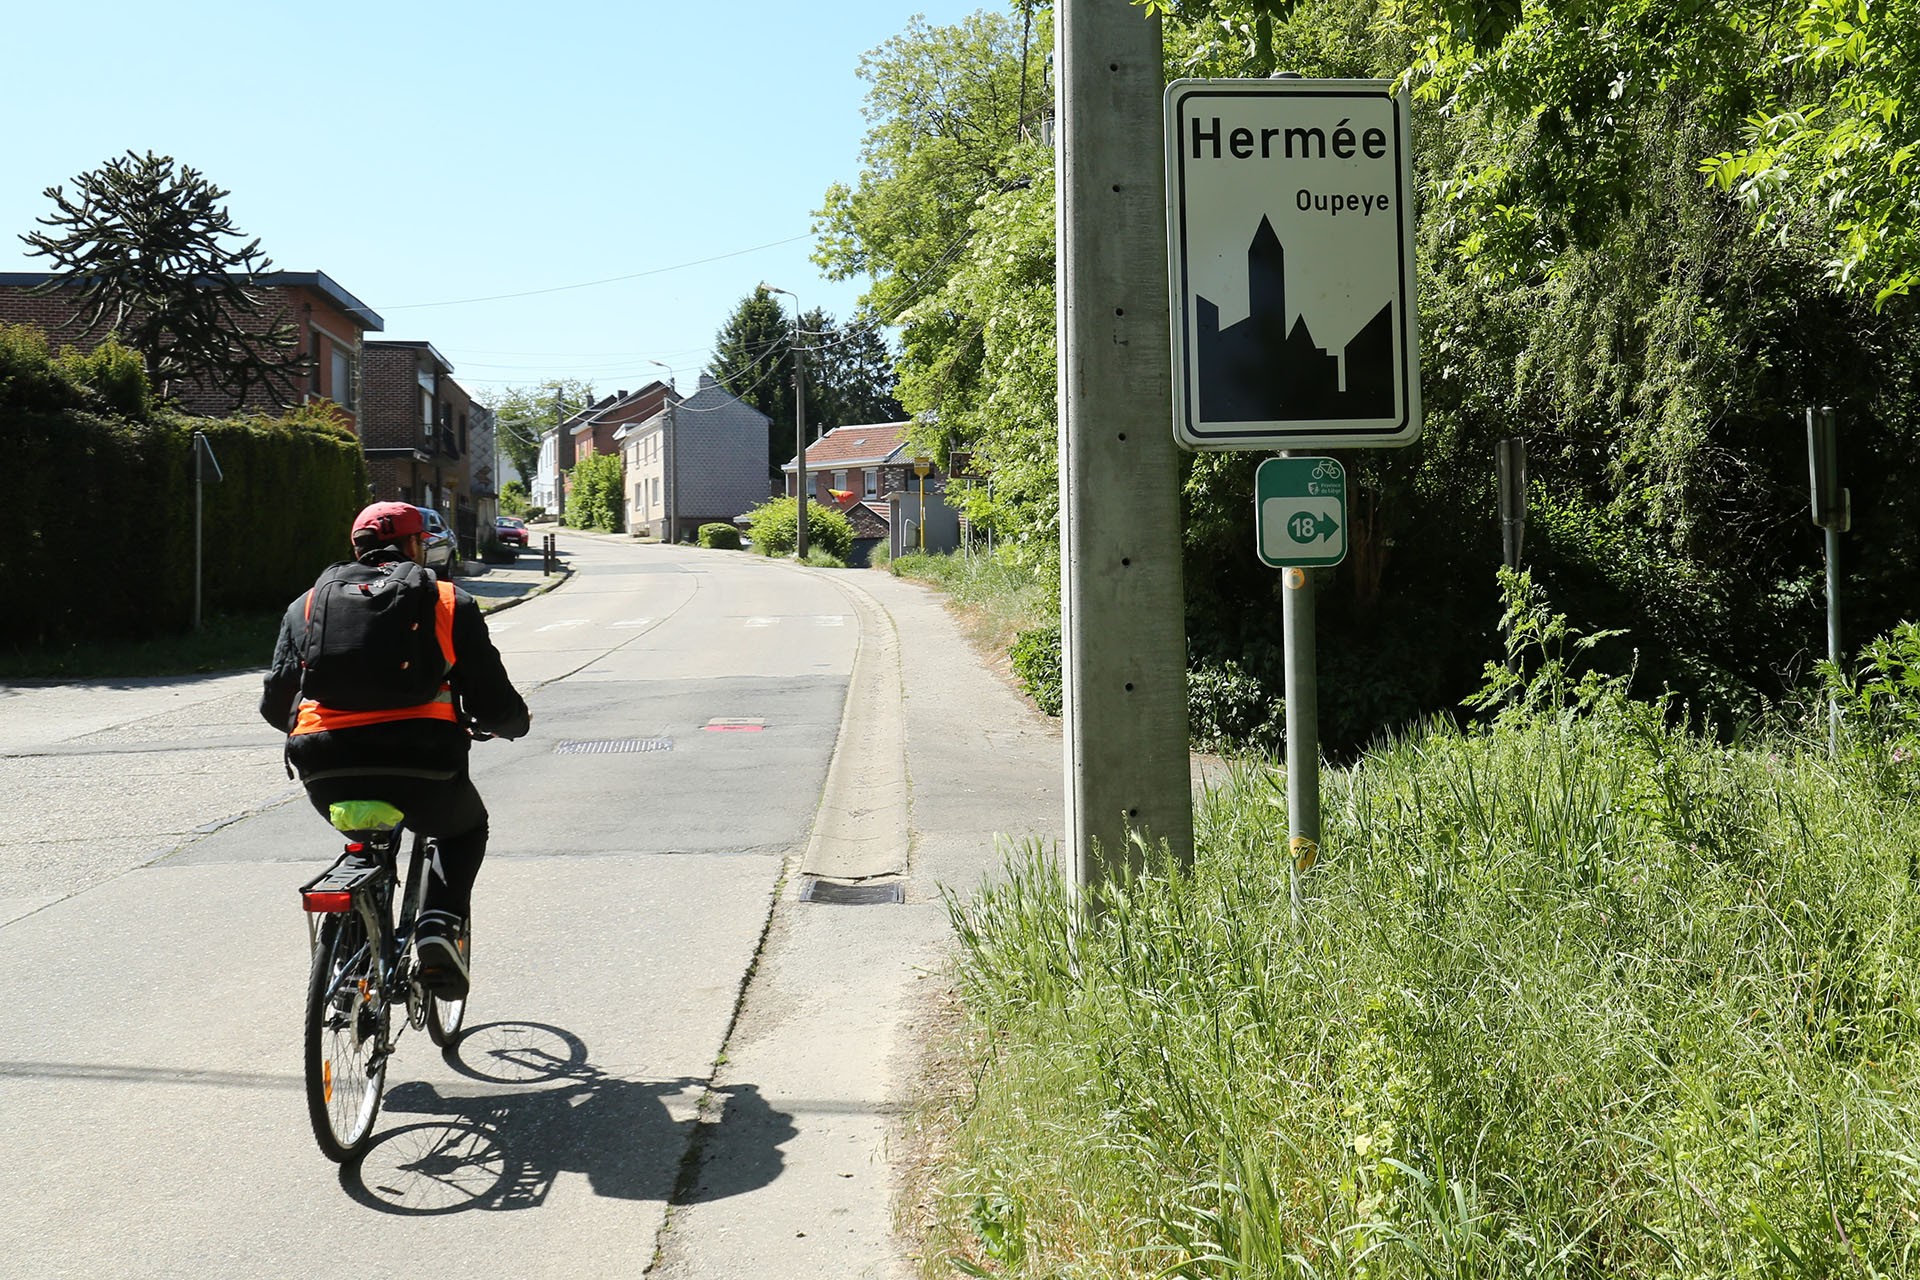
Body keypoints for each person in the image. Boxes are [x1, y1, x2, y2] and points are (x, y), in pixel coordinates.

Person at [261, 501, 530, 996]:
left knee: (366, 832)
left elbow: (277, 702)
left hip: (324, 763)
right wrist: (513, 724)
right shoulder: (447, 599)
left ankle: (353, 952)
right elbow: (492, 701)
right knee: (464, 830)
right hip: (424, 762)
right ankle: (438, 923)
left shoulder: (307, 605)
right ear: (414, 545)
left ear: (356, 548)